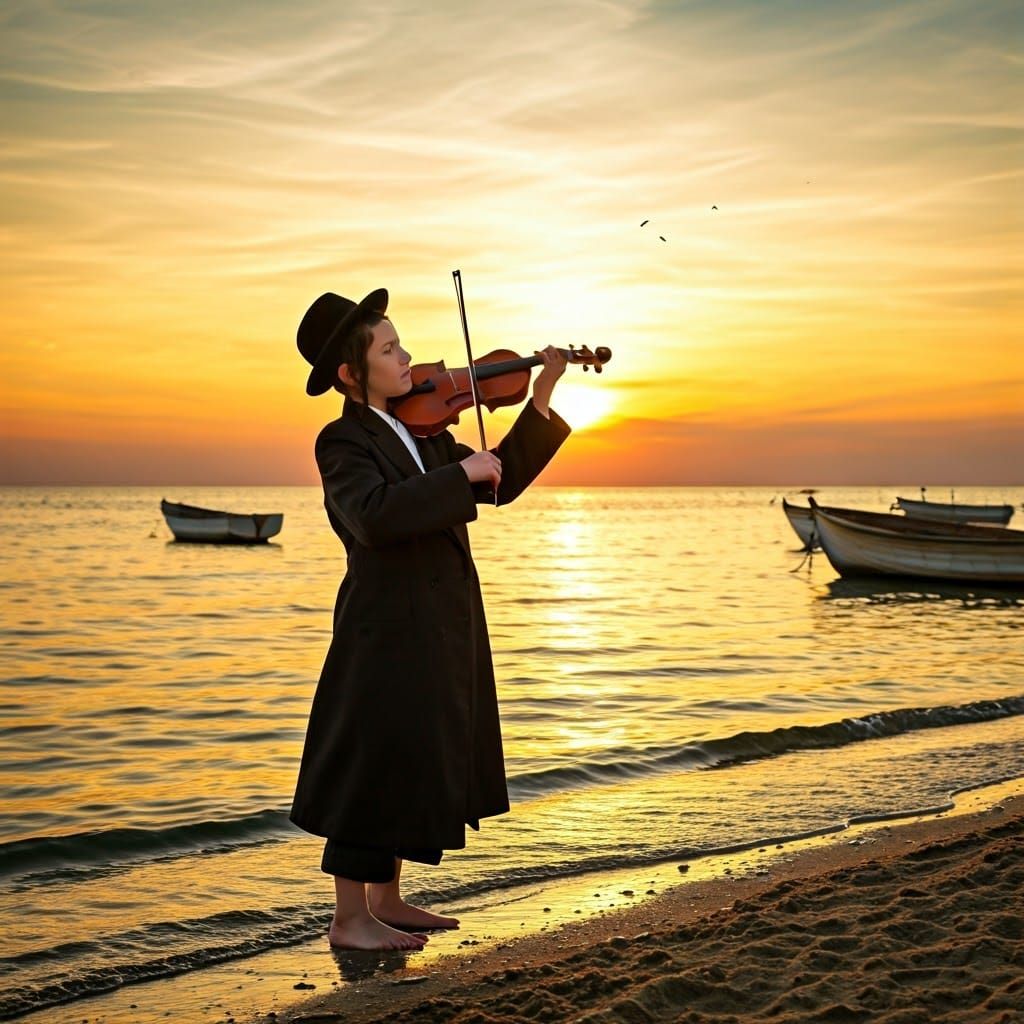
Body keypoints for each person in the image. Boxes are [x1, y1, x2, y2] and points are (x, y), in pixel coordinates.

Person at [290, 287, 570, 951]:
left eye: (401, 343)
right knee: (370, 763)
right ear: (351, 375)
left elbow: (498, 480)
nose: (410, 358)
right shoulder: (342, 441)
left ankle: (386, 900)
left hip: (436, 622)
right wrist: (459, 474)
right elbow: (377, 515)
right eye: (389, 350)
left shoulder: (423, 434)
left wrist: (540, 401)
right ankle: (349, 918)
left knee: (410, 756)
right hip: (382, 629)